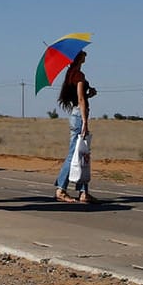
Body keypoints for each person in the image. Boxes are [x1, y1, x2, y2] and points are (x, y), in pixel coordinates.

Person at [53, 49, 96, 203]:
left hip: (76, 114)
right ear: (79, 57)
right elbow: (80, 99)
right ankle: (61, 189)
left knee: (82, 154)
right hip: (79, 116)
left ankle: (83, 192)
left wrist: (89, 93)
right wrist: (85, 121)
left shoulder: (72, 73)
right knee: (74, 154)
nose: (86, 54)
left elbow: (81, 96)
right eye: (83, 53)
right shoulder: (78, 75)